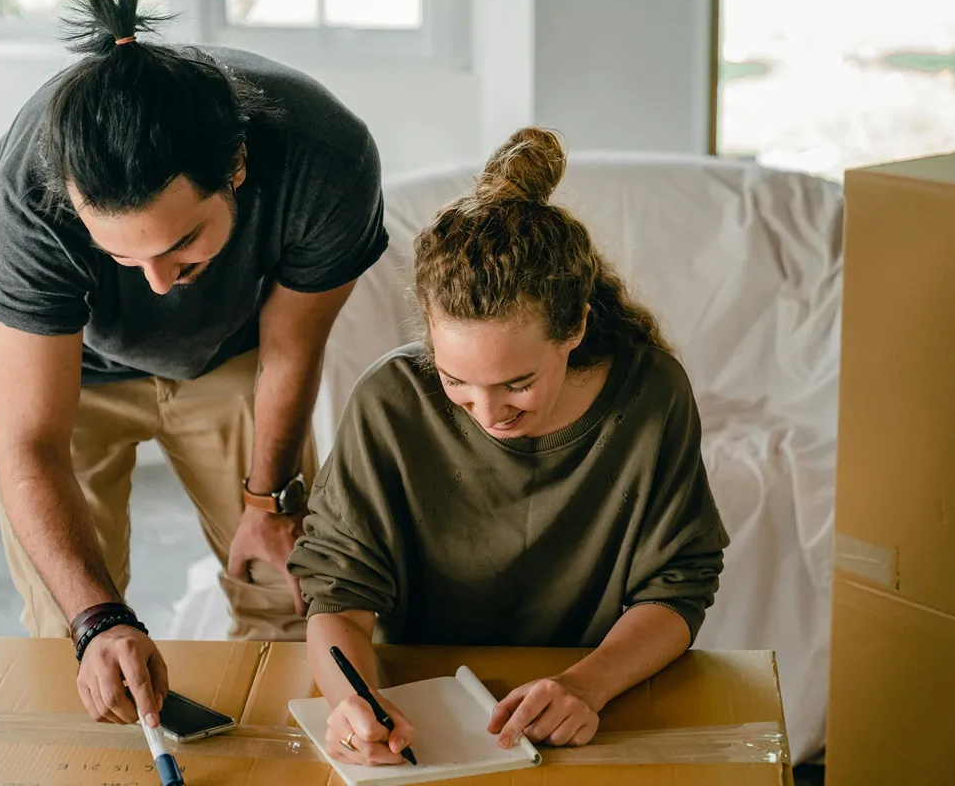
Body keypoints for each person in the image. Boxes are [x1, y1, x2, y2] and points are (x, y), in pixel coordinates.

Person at [0, 0, 388, 728]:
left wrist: (268, 499)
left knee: (285, 589)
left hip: (229, 354)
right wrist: (99, 620)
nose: (158, 284)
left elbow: (291, 350)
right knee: (75, 630)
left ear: (236, 168)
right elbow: (31, 443)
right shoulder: (29, 193)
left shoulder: (328, 160)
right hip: (63, 370)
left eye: (183, 244)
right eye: (124, 257)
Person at [287, 127, 729, 766]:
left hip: (588, 707)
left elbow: (678, 587)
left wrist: (587, 684)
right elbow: (339, 596)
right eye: (455, 381)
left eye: (518, 384)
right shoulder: (389, 401)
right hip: (420, 714)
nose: (489, 414)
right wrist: (350, 703)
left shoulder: (650, 394)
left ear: (574, 325)